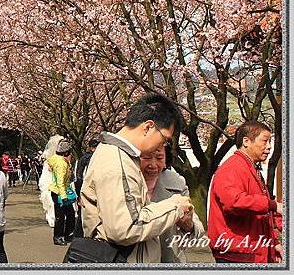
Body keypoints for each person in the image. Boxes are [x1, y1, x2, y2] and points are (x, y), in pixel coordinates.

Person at [80, 92, 193, 263]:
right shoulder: (117, 161)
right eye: (165, 140)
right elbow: (125, 228)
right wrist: (175, 205)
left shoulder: (117, 155)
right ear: (148, 127)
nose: (162, 146)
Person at [208, 121, 283, 263]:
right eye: (265, 141)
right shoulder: (232, 168)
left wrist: (273, 243)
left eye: (270, 142)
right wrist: (273, 205)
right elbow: (234, 203)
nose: (269, 147)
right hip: (237, 254)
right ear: (246, 141)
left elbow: (260, 218)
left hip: (251, 251)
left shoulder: (250, 168)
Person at [140, 144, 204, 262]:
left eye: (159, 158)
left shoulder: (176, 183)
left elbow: (197, 229)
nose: (153, 165)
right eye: (147, 158)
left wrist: (188, 225)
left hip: (169, 260)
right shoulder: (124, 182)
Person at [46, 138, 76, 245]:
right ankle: (58, 237)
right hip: (59, 193)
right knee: (61, 216)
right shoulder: (61, 164)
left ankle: (67, 235)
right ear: (66, 152)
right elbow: (60, 182)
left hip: (58, 191)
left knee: (69, 214)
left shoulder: (57, 160)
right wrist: (64, 196)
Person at [74, 136, 99, 238]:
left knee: (82, 216)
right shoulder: (98, 159)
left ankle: (79, 238)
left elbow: (78, 176)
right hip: (95, 191)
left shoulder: (83, 158)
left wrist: (78, 193)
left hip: (84, 190)